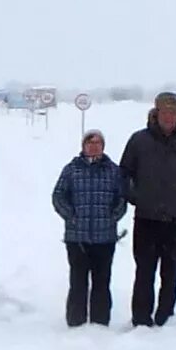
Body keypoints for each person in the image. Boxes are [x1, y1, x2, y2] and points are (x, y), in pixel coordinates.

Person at [119, 91, 176, 327]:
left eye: (173, 113)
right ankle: (141, 318)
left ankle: (165, 317)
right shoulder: (139, 141)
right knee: (144, 271)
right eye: (164, 112)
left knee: (170, 271)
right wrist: (134, 197)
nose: (168, 117)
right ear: (155, 114)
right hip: (146, 217)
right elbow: (124, 173)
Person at [50, 128, 127, 327]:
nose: (93, 147)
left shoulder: (113, 170)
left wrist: (112, 217)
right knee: (78, 283)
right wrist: (71, 216)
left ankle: (100, 323)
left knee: (101, 283)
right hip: (77, 238)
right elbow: (58, 195)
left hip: (105, 238)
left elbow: (122, 198)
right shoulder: (71, 169)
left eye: (98, 143)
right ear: (83, 146)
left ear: (103, 146)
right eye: (89, 143)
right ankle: (76, 323)